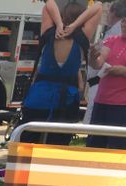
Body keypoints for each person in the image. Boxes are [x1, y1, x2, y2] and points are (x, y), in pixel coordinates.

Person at [20, 0, 101, 145]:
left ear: (62, 16)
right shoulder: (82, 38)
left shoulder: (49, 33)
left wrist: (58, 24)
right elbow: (98, 6)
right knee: (58, 146)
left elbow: (48, 3)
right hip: (67, 100)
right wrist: (75, 25)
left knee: (27, 144)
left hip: (39, 96)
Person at [87, 1, 126, 149]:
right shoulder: (112, 40)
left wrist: (123, 71)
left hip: (122, 105)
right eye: (123, 21)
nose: (123, 25)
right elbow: (98, 63)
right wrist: (93, 57)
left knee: (117, 147)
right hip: (101, 100)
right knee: (94, 145)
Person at [84, 2, 121, 124]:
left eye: (107, 11)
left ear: (113, 13)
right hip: (101, 85)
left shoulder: (117, 32)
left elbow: (104, 62)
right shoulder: (111, 33)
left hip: (105, 83)